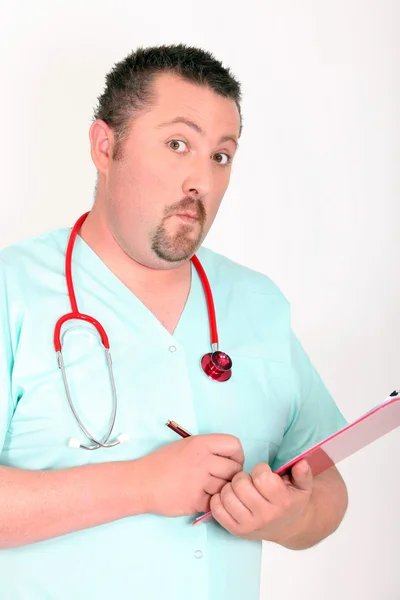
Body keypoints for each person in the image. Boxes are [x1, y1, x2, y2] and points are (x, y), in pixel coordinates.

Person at [0, 44, 348, 600]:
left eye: (221, 156)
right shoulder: (11, 290)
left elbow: (325, 482)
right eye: (178, 144)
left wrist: (287, 520)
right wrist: (140, 485)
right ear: (105, 145)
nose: (201, 182)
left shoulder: (258, 302)